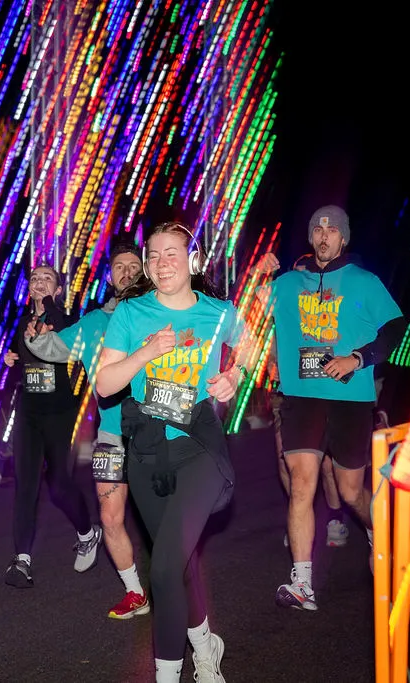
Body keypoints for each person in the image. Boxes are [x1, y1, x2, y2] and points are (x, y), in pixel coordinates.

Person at [97, 221, 253, 683]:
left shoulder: (218, 312)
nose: (162, 264)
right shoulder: (130, 313)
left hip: (198, 446)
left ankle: (168, 674)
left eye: (172, 253)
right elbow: (105, 384)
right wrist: (145, 353)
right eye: (154, 255)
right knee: (178, 566)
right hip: (146, 453)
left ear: (192, 259)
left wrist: (235, 376)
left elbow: (251, 346)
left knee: (163, 567)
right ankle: (206, 647)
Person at [256, 204, 405, 611]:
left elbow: (395, 327)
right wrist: (256, 274)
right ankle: (302, 582)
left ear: (343, 238)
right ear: (311, 237)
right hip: (302, 398)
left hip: (351, 400)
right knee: (302, 483)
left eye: (332, 229)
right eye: (317, 229)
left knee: (351, 491)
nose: (324, 235)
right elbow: (236, 314)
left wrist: (358, 358)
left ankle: (378, 531)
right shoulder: (286, 284)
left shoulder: (364, 281)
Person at [24, 240, 150, 619]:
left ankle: (177, 589)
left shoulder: (161, 313)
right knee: (110, 516)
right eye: (118, 267)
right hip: (111, 435)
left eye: (133, 266)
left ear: (144, 271)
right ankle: (134, 592)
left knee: (160, 520)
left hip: (156, 436)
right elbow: (55, 348)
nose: (125, 272)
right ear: (110, 276)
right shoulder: (96, 321)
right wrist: (33, 336)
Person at [2, 265, 103, 587]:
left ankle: (88, 533)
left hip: (62, 412)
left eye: (47, 279)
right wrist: (10, 358)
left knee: (59, 484)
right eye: (34, 278)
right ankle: (22, 560)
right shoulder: (20, 321)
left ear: (58, 290)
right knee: (26, 484)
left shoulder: (69, 320)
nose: (39, 282)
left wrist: (50, 313)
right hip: (29, 412)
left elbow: (73, 351)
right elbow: (19, 357)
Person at [269, 357, 350, 549]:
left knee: (325, 463)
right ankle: (297, 518)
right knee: (284, 460)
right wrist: (272, 365)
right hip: (285, 390)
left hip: (320, 387)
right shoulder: (276, 327)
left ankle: (335, 517)